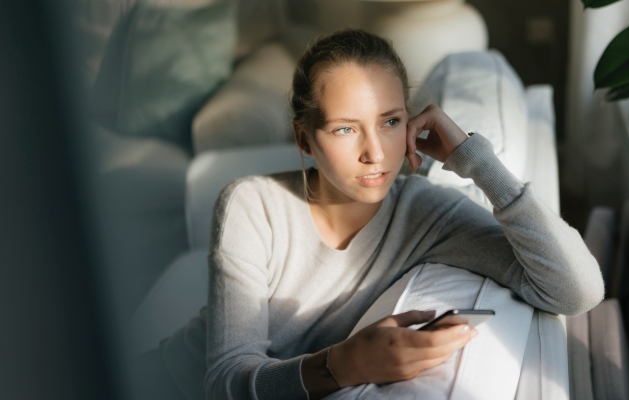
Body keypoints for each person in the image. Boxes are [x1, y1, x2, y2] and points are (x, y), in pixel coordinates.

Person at [150, 28, 604, 400]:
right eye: (346, 129)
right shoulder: (253, 205)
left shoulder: (429, 214)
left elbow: (577, 290)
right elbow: (224, 379)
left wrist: (474, 159)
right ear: (305, 139)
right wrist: (341, 365)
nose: (374, 153)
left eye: (389, 122)